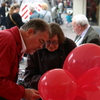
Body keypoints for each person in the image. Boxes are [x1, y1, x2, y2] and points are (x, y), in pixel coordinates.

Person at [0, 18, 51, 100]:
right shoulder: (8, 41)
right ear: (30, 32)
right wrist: (23, 92)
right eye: (41, 41)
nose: (41, 47)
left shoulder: (13, 42)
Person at [24, 23, 76, 100]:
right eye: (48, 42)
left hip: (65, 90)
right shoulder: (37, 47)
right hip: (42, 91)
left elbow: (75, 69)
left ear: (60, 40)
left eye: (54, 42)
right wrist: (47, 81)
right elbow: (28, 76)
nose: (51, 46)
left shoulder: (68, 45)